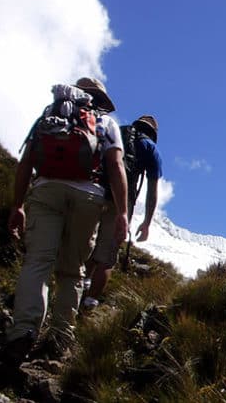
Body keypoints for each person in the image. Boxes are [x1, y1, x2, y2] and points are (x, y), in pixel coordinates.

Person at [0, 77, 128, 365]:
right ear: (100, 100)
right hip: (88, 197)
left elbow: (26, 162)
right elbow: (116, 166)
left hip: (46, 190)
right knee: (72, 270)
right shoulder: (105, 124)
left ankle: (23, 333)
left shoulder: (50, 114)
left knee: (38, 262)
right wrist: (121, 212)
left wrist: (17, 205)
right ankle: (60, 338)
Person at [83, 115, 162, 309]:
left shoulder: (116, 131)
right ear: (153, 133)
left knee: (87, 245)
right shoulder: (150, 148)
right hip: (121, 200)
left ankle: (77, 287)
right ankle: (89, 303)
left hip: (95, 190)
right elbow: (152, 192)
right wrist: (147, 223)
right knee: (107, 255)